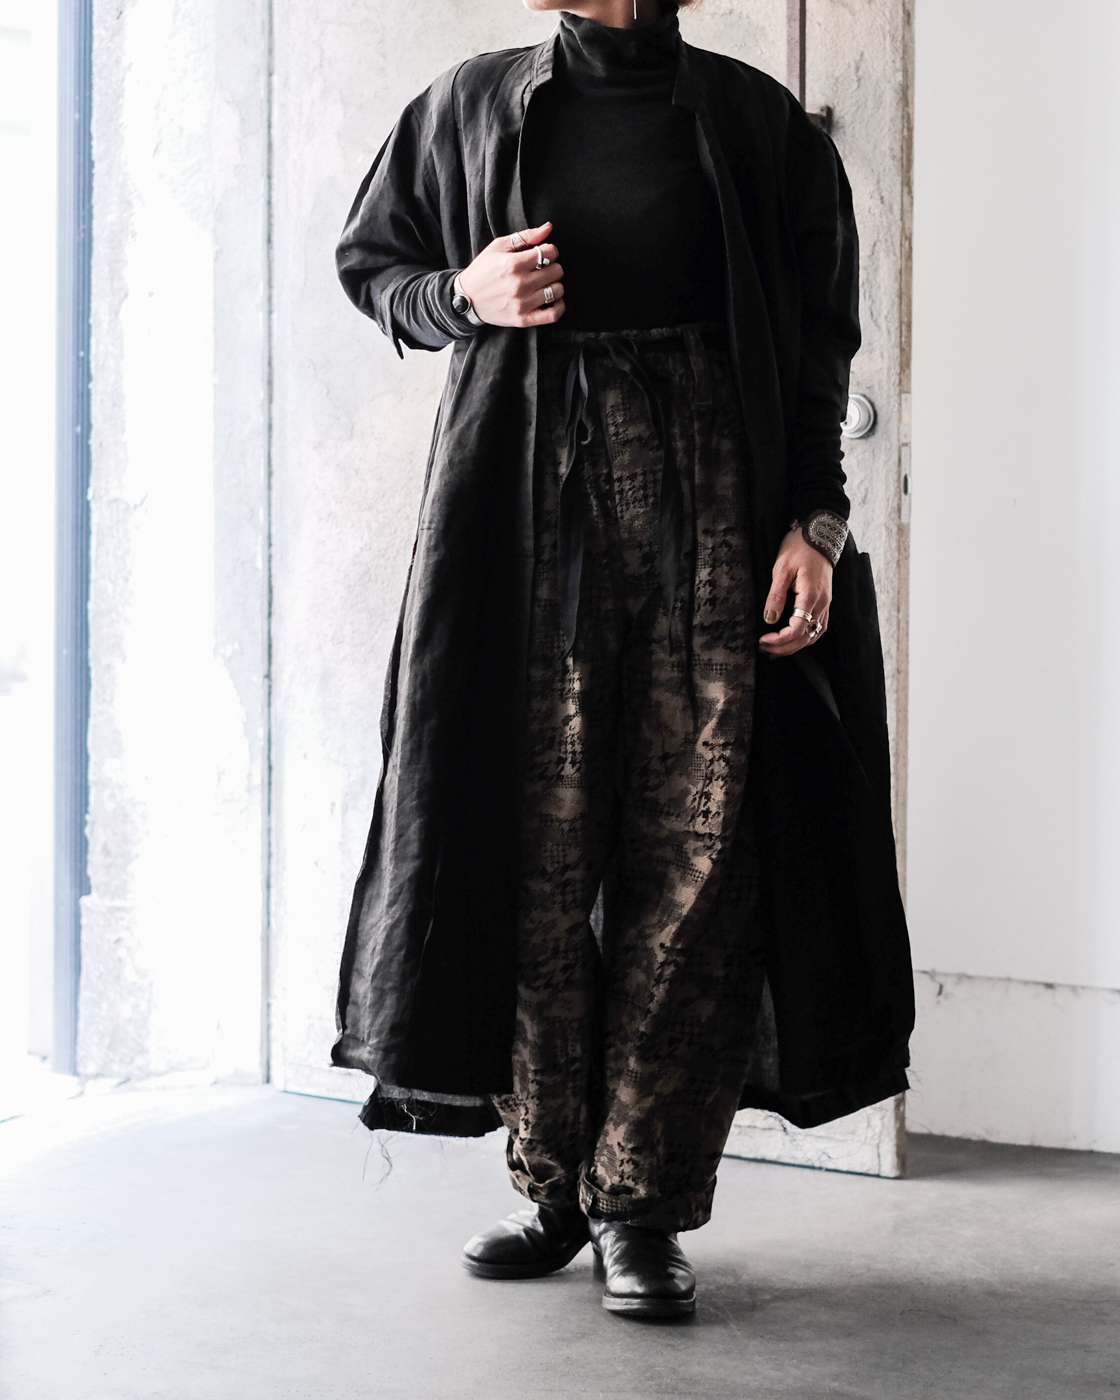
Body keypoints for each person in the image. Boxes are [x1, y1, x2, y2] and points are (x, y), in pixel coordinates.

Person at [332, 0, 914, 1320]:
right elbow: (373, 265)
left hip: (716, 510)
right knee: (538, 851)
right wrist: (461, 295)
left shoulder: (757, 123)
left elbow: (819, 343)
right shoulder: (473, 104)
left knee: (697, 857)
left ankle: (640, 1205)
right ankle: (553, 1180)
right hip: (526, 517)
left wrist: (815, 524)